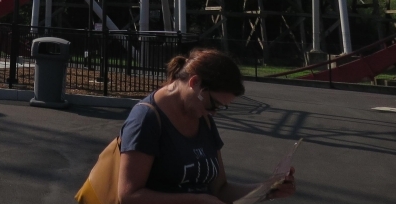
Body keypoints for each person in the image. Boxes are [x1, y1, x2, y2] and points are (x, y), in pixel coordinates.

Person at [118, 48, 297, 203]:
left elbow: (220, 190)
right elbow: (129, 196)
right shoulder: (146, 119)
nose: (213, 112)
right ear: (194, 83)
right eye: (213, 104)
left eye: (220, 107)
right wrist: (195, 201)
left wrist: (267, 190)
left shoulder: (203, 118)